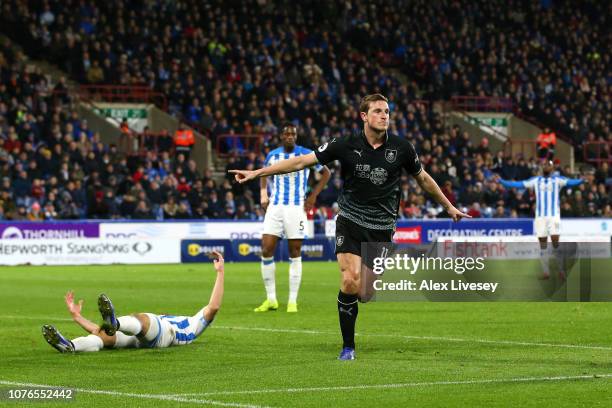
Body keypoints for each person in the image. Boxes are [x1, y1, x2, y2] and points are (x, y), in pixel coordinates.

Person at [230, 94, 470, 360]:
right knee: (349, 281)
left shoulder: (403, 148)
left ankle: (359, 304)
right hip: (350, 220)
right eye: (378, 111)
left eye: (387, 111)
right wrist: (256, 173)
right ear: (364, 116)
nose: (384, 116)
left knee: (365, 293)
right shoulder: (344, 144)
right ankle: (348, 347)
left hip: (382, 227)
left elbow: (423, 178)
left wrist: (449, 207)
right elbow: (300, 161)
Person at [41, 251, 225, 353]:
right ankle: (71, 346)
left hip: (168, 335)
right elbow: (100, 329)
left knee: (143, 319)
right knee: (104, 336)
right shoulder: (186, 322)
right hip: (139, 341)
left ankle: (116, 322)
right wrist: (77, 317)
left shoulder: (193, 324)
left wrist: (220, 272)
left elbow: (214, 306)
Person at [255, 123, 331, 313]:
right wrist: (263, 194)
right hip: (275, 207)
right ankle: (271, 299)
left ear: (296, 136)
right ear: (281, 136)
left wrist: (313, 196)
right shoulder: (273, 155)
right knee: (266, 249)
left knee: (294, 251)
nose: (290, 136)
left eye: (293, 134)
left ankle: (292, 301)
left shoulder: (306, 154)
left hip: (296, 207)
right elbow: (263, 174)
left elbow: (326, 173)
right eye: (286, 133)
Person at [497, 160, 583, 280]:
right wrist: (502, 181)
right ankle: (546, 272)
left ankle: (561, 271)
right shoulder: (535, 180)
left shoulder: (558, 180)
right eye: (545, 164)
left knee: (555, 243)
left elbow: (571, 182)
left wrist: (581, 180)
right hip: (540, 218)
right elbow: (518, 184)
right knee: (542, 244)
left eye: (549, 165)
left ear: (552, 168)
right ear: (542, 167)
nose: (546, 166)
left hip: (554, 217)